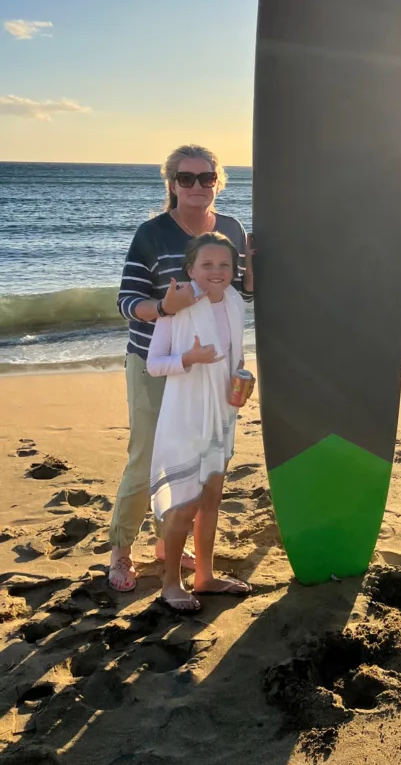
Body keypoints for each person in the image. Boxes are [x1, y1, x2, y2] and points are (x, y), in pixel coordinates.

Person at [108, 144, 254, 593]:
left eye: (206, 178)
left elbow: (238, 295)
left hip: (211, 374)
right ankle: (121, 550)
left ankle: (165, 542)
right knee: (149, 454)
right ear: (171, 183)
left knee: (200, 459)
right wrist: (164, 307)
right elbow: (127, 302)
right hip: (157, 361)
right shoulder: (151, 233)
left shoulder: (230, 228)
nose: (197, 186)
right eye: (186, 178)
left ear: (217, 182)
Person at [147, 232, 251, 612]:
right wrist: (188, 358)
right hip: (187, 415)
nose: (217, 271)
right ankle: (171, 583)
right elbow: (154, 364)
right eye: (207, 265)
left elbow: (232, 352)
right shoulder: (179, 308)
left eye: (225, 264)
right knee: (185, 504)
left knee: (212, 498)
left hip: (223, 412)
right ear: (190, 269)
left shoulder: (237, 301)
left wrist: (238, 374)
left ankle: (205, 577)